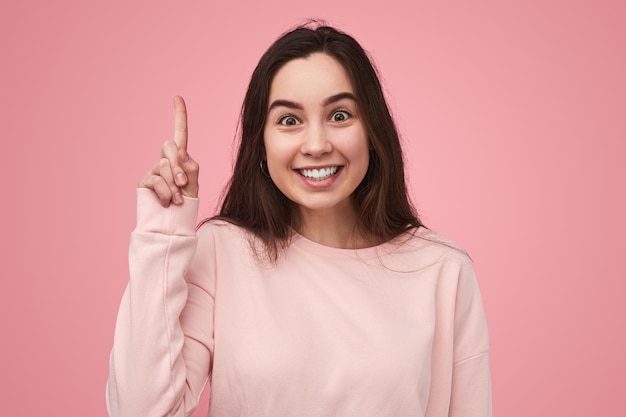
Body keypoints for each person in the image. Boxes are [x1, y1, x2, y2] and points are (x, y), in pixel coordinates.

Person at [106, 23, 492, 417]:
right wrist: (164, 231)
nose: (317, 145)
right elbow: (140, 409)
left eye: (340, 115)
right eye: (289, 121)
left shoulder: (443, 270)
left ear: (372, 131)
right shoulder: (222, 251)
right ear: (261, 145)